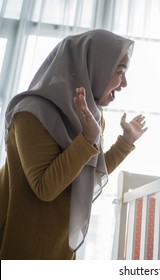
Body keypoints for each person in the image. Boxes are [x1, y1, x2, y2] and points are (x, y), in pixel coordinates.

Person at [0, 29, 147, 259]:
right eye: (120, 71)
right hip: (22, 242)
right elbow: (45, 188)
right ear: (92, 67)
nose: (124, 83)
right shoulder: (30, 113)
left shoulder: (92, 119)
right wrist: (87, 138)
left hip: (60, 246)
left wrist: (125, 142)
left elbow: (87, 173)